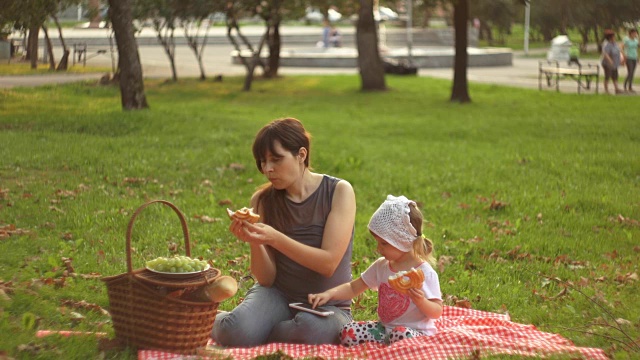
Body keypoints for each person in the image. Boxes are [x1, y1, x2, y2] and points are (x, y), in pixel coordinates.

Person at [211, 118, 357, 347]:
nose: (268, 169)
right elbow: (267, 278)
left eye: (276, 159)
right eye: (262, 162)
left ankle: (263, 331)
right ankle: (210, 320)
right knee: (235, 332)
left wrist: (274, 238)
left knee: (311, 330)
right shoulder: (262, 200)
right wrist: (255, 241)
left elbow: (328, 264)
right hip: (277, 296)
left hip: (329, 304)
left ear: (301, 154)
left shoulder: (338, 191)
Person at [308, 195, 443, 347]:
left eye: (384, 243)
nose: (378, 248)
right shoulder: (381, 266)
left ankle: (396, 348)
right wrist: (328, 294)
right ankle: (386, 347)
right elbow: (353, 287)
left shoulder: (425, 272)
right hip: (385, 330)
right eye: (378, 242)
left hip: (415, 334)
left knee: (400, 335)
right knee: (347, 333)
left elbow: (436, 311)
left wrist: (421, 301)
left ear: (401, 241)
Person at [601, 29, 624, 94]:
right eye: (614, 36)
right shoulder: (607, 44)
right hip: (607, 64)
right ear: (610, 37)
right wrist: (610, 61)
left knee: (615, 76)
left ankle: (617, 89)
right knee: (607, 76)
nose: (615, 37)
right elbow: (605, 54)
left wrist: (621, 59)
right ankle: (606, 90)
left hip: (614, 63)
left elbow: (618, 51)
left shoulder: (615, 44)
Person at [622, 28, 638, 93]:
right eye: (633, 33)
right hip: (629, 57)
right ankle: (625, 84)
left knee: (633, 72)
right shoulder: (626, 40)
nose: (635, 34)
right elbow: (622, 47)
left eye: (635, 33)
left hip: (634, 57)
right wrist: (624, 55)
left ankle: (630, 86)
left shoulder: (636, 41)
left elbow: (636, 49)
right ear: (630, 33)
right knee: (630, 72)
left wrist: (638, 57)